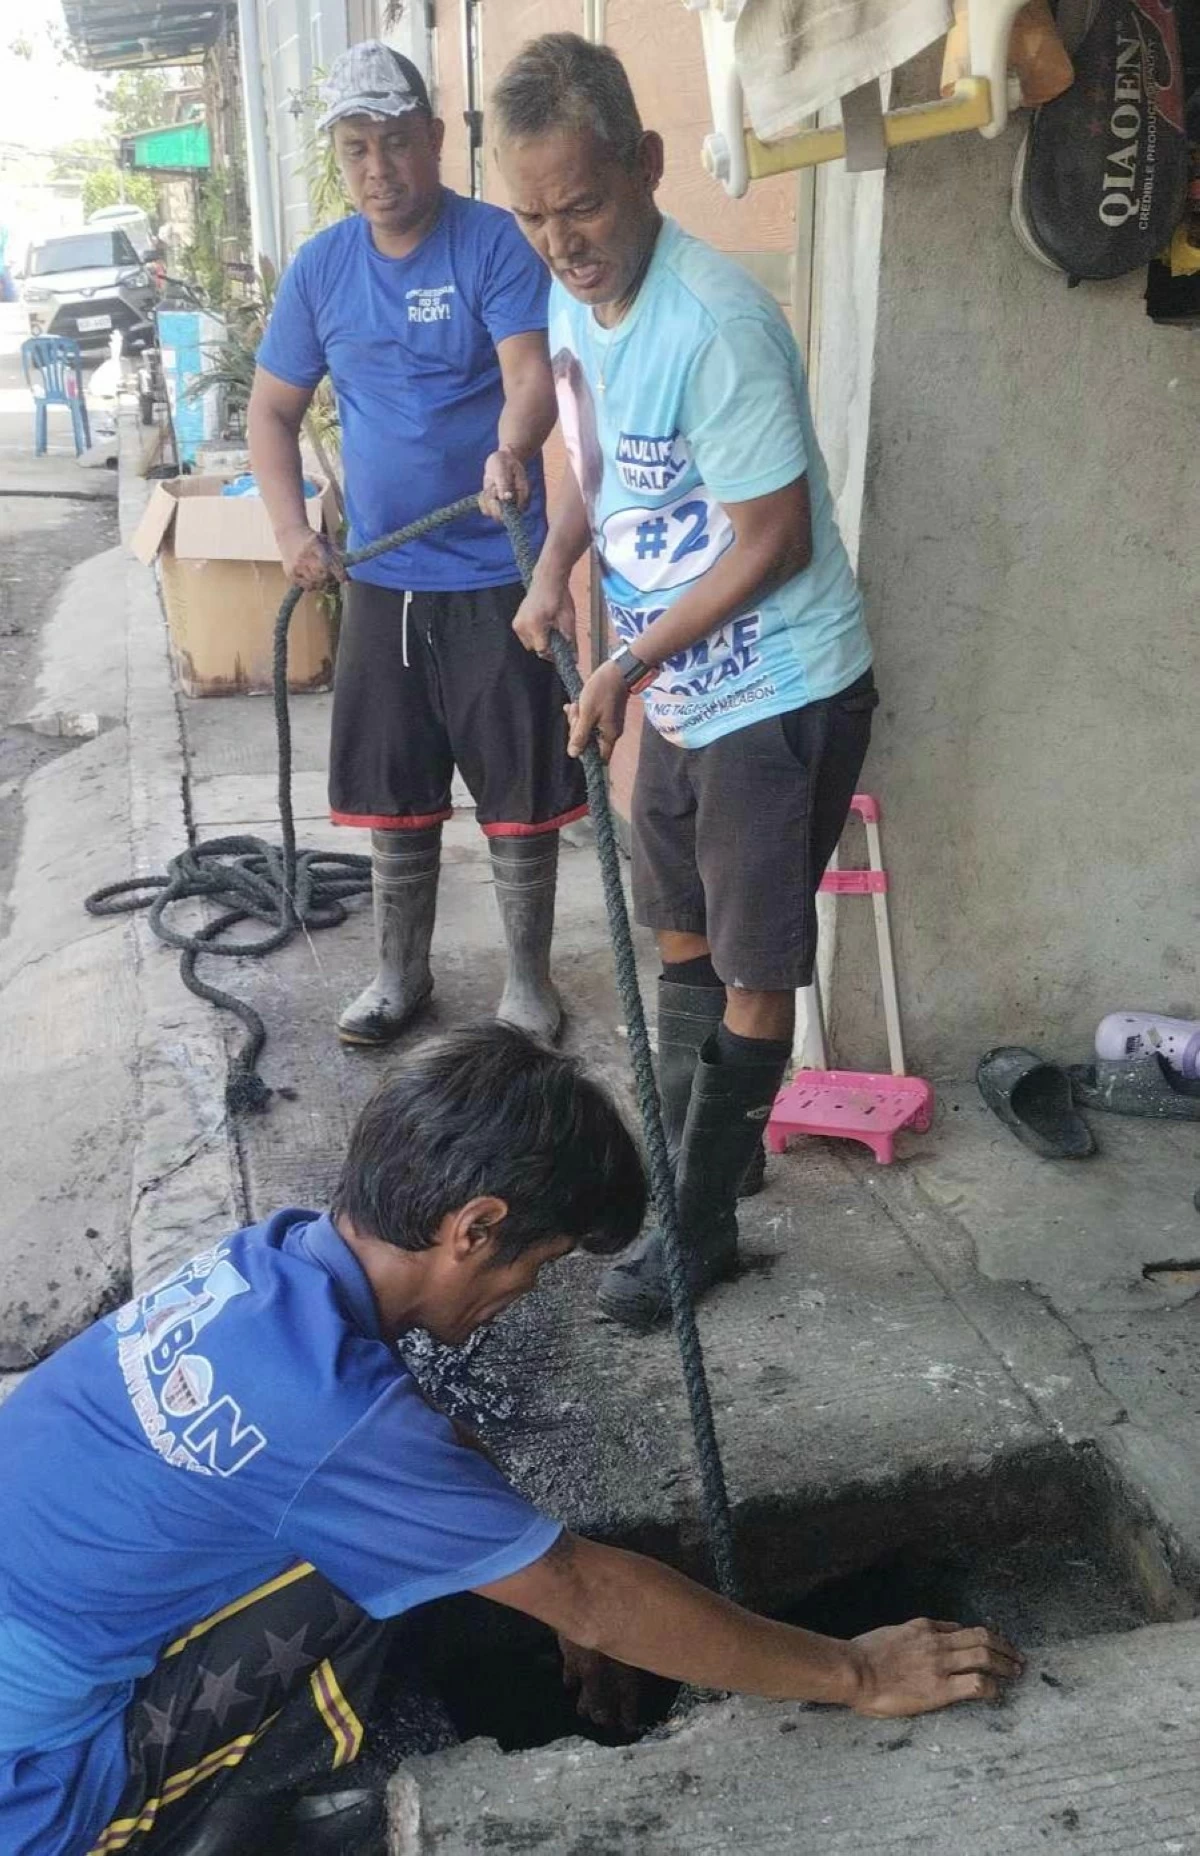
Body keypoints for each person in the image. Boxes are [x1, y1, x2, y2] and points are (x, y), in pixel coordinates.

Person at [0, 1024, 1020, 1856]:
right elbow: (582, 1582)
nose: (531, 1287)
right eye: (546, 1256)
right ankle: (214, 1818)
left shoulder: (264, 1265)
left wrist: (547, 1596)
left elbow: (433, 1456)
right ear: (474, 1225)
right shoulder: (333, 1416)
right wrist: (855, 1671)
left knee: (388, 1538)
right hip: (36, 1786)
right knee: (362, 1568)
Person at [492, 34, 879, 1330]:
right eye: (536, 215)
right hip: (678, 683)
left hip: (775, 688)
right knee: (681, 929)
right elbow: (596, 464)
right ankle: (718, 1149)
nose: (564, 239)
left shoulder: (718, 326)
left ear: (648, 167)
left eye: (586, 205)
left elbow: (778, 540)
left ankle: (698, 1223)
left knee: (756, 960)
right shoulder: (572, 298)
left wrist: (622, 665)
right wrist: (555, 568)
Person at [248, 41, 586, 1050]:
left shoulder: (491, 244)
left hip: (496, 570)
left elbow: (530, 376)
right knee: (394, 789)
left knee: (521, 791)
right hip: (383, 578)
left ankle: (528, 981)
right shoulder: (321, 270)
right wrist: (290, 530)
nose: (378, 169)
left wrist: (512, 446)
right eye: (356, 149)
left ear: (436, 139)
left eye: (395, 143)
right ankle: (401, 976)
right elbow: (272, 412)